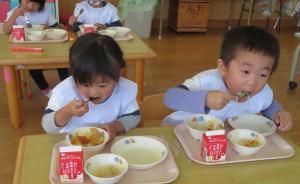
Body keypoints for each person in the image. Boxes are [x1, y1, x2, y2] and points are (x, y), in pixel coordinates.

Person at [163, 26, 292, 131]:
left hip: (221, 144)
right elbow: (170, 97)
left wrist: (277, 113)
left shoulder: (261, 91)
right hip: (179, 132)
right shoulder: (207, 81)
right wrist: (205, 99)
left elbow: (266, 104)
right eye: (246, 71)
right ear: (223, 67)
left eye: (263, 75)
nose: (253, 82)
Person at [42, 33, 140, 140]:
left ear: (118, 73)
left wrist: (115, 127)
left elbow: (134, 116)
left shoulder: (123, 89)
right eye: (85, 85)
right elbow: (47, 126)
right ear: (74, 75)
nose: (93, 93)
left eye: (102, 85)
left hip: (108, 146)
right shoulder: (64, 92)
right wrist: (67, 112)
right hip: (72, 147)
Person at [3, 0, 69, 97]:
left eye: (35, 4)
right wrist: (14, 16)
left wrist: (56, 27)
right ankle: (46, 90)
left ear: (41, 5)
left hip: (48, 47)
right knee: (33, 66)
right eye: (27, 2)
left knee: (63, 64)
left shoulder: (46, 9)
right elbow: (5, 30)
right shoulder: (15, 12)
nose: (30, 7)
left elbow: (54, 26)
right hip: (27, 50)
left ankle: (67, 89)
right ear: (21, 1)